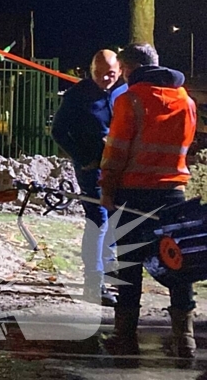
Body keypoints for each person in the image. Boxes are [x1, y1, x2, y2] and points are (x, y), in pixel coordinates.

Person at [101, 43, 197, 357]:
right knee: (178, 262)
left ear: (133, 68)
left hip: (133, 194)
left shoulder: (130, 100)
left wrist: (107, 190)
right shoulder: (186, 101)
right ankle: (185, 337)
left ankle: (125, 335)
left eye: (124, 71)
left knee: (129, 265)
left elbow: (115, 153)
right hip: (173, 193)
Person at [50, 49, 126, 307]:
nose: (106, 78)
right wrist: (83, 158)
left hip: (118, 168)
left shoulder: (123, 92)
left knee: (114, 220)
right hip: (91, 168)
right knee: (98, 220)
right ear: (91, 71)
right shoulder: (77, 96)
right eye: (99, 74)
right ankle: (93, 284)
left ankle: (109, 274)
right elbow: (59, 131)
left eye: (111, 74)